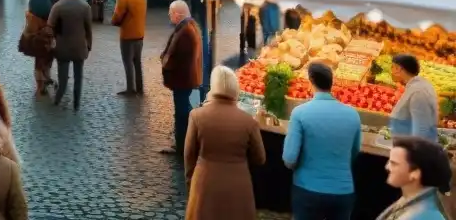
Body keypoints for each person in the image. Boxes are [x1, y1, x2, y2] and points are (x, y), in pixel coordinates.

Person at [184, 66, 266, 220]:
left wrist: (190, 181)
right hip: (238, 187)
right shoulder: (249, 122)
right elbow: (260, 158)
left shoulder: (196, 116)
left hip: (205, 183)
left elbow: (189, 154)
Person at [283, 62, 362, 220]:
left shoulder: (300, 113)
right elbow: (354, 152)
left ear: (310, 80)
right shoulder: (353, 115)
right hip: (343, 191)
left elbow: (289, 159)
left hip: (308, 190)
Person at [160, 0, 202, 158]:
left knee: (182, 114)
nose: (169, 15)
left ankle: (182, 147)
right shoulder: (188, 28)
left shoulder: (185, 31)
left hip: (183, 81)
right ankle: (181, 144)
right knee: (182, 113)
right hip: (185, 80)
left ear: (178, 14)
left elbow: (178, 58)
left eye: (171, 13)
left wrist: (166, 62)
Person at [377, 136, 452, 220]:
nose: (387, 167)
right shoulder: (417, 201)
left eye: (394, 164)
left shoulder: (421, 214)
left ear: (415, 173)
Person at [47, 0, 92, 111]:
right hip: (79, 47)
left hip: (62, 47)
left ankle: (57, 100)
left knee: (63, 77)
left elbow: (49, 27)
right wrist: (89, 46)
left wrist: (53, 40)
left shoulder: (58, 6)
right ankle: (76, 103)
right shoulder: (85, 7)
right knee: (78, 77)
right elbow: (88, 29)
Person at [111, 0, 147, 96]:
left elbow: (117, 16)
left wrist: (114, 21)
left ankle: (130, 89)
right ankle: (140, 87)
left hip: (127, 34)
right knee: (137, 62)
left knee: (128, 62)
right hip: (139, 34)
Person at [390, 55, 439, 142]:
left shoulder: (418, 92)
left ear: (399, 69)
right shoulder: (415, 86)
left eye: (392, 67)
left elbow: (421, 129)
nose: (391, 71)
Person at [19, 0, 56, 96]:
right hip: (47, 44)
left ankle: (40, 86)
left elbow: (27, 32)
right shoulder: (49, 16)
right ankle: (46, 79)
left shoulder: (31, 17)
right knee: (47, 63)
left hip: (36, 44)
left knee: (38, 65)